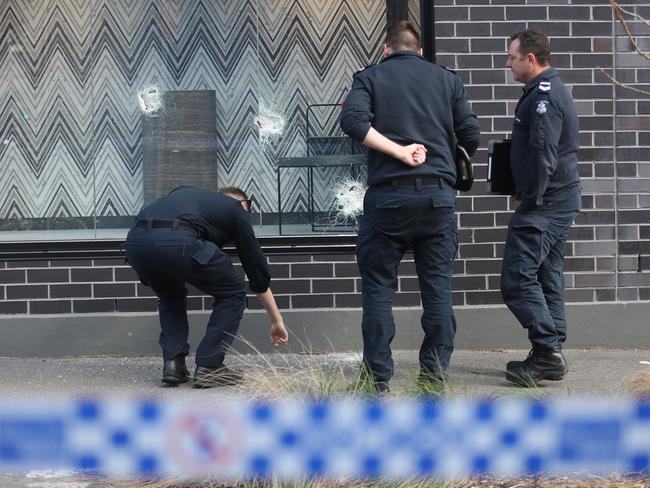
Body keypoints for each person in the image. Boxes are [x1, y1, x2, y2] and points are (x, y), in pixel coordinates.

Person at [340, 21, 480, 394]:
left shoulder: (369, 78)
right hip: (437, 199)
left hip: (388, 198)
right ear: (420, 51)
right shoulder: (447, 80)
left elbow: (352, 121)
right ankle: (433, 379)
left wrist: (399, 152)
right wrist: (438, 156)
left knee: (379, 291)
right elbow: (471, 135)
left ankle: (377, 380)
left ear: (386, 50)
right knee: (437, 292)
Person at [124, 186, 288, 388]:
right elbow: (256, 271)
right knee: (233, 290)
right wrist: (276, 320)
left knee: (170, 296)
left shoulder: (188, 198)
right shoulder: (236, 210)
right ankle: (209, 366)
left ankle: (173, 364)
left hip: (135, 244)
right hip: (177, 240)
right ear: (245, 206)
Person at [501, 29, 581, 387]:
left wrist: (529, 195)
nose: (508, 63)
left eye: (512, 57)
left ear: (530, 59)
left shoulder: (544, 97)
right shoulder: (544, 91)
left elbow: (544, 152)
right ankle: (551, 350)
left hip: (546, 203)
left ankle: (547, 353)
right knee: (547, 273)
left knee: (518, 276)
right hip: (556, 198)